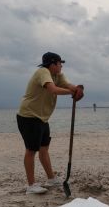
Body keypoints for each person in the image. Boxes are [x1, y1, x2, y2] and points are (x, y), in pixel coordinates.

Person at [17, 52, 84, 194]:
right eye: (60, 63)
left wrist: (78, 90)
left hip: (42, 118)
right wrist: (71, 93)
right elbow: (52, 89)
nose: (61, 66)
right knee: (31, 150)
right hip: (28, 116)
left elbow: (68, 85)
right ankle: (31, 185)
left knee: (44, 149)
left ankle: (51, 179)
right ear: (53, 64)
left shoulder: (58, 76)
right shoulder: (43, 72)